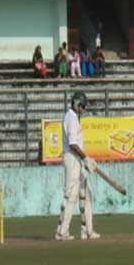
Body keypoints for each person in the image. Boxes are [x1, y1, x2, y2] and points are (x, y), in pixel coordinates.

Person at [55, 91, 100, 241]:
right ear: (76, 104)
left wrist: (84, 159)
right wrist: (86, 158)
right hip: (72, 159)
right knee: (70, 196)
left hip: (77, 160)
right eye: (82, 106)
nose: (84, 109)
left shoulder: (74, 118)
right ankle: (62, 232)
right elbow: (73, 144)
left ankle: (87, 231)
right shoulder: (71, 119)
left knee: (86, 194)